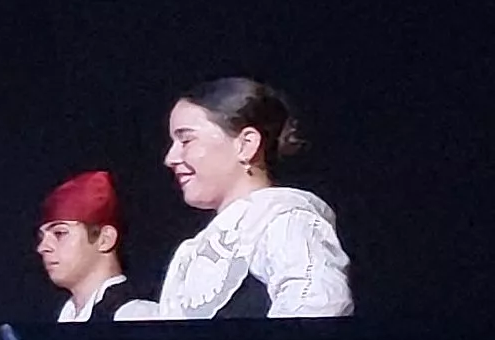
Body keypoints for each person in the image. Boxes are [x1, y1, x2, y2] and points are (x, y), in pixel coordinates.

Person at [127, 77, 351, 319]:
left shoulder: (283, 220)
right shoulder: (190, 252)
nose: (171, 158)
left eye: (186, 140)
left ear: (246, 144)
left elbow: (315, 314)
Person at [35, 170, 139, 321]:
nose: (42, 247)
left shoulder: (133, 316)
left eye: (60, 233)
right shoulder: (66, 316)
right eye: (42, 237)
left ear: (105, 239)